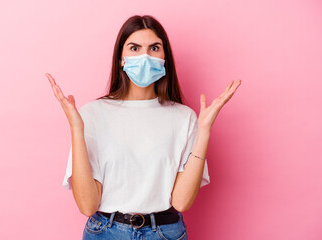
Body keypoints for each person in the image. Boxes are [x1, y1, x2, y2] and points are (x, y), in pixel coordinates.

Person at [47, 15, 241, 240]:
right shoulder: (93, 113)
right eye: (135, 48)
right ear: (121, 58)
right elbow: (88, 206)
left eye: (154, 48)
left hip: (165, 233)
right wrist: (77, 130)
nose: (145, 56)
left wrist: (204, 130)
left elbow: (181, 201)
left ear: (164, 57)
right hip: (106, 232)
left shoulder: (183, 117)